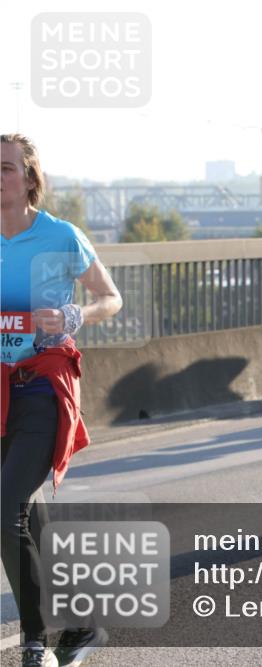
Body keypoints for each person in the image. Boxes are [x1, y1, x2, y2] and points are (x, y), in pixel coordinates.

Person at [2, 134, 123, 667]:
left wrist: (77, 316)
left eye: (5, 167)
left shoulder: (60, 236)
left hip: (43, 389)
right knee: (23, 512)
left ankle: (35, 643)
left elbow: (109, 297)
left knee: (5, 509)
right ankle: (82, 625)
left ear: (29, 178)